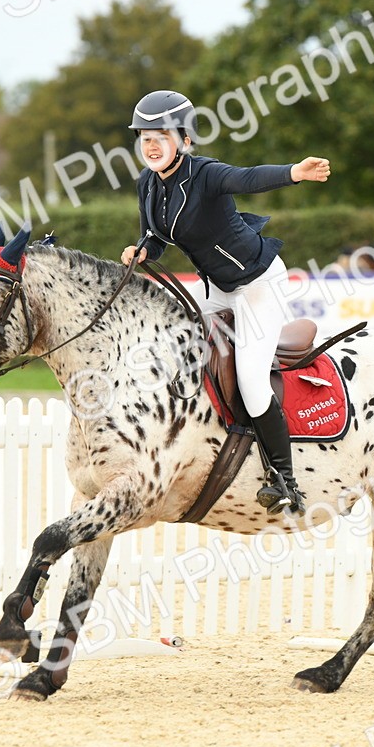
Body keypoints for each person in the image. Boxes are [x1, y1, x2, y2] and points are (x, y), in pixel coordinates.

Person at [121, 89, 331, 515]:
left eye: (162, 134)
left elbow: (249, 178)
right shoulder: (147, 183)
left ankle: (285, 480)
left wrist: (294, 172)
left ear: (186, 139)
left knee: (252, 380)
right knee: (172, 341)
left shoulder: (207, 175)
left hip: (258, 285)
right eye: (144, 137)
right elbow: (158, 237)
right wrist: (143, 250)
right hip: (217, 287)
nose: (152, 143)